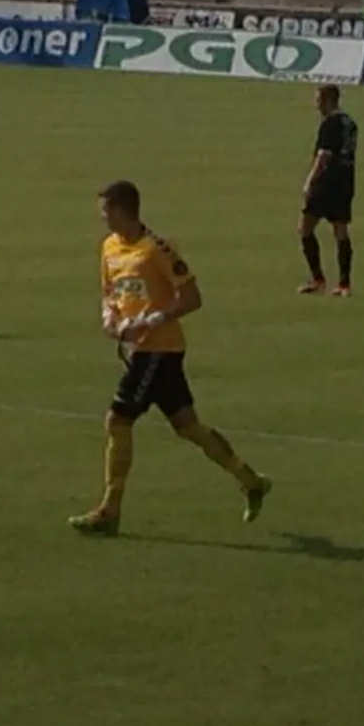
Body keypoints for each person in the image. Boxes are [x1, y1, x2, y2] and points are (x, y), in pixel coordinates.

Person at [68, 180, 271, 537]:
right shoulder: (109, 247)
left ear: (122, 210)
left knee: (118, 420)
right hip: (142, 351)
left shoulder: (157, 249)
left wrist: (151, 320)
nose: (102, 217)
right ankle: (250, 479)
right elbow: (109, 292)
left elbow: (192, 297)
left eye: (105, 210)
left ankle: (110, 510)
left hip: (159, 349)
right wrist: (110, 318)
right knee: (188, 426)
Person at [298, 84, 358, 297]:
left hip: (326, 183)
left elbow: (324, 155)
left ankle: (318, 279)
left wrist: (309, 181)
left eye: (318, 100)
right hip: (346, 181)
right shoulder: (349, 122)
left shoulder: (330, 123)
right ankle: (344, 284)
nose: (316, 105)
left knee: (305, 229)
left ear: (328, 100)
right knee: (340, 231)